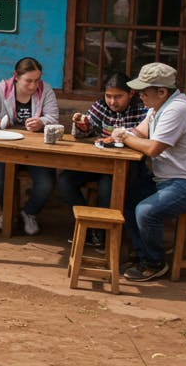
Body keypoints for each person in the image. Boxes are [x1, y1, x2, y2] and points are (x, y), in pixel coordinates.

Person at [113, 63, 186, 282]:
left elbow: (153, 148)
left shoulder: (176, 109)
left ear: (162, 92)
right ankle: (144, 254)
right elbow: (141, 133)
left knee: (146, 211)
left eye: (144, 92)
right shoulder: (157, 108)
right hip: (171, 181)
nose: (140, 96)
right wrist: (124, 133)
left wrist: (125, 138)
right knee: (128, 199)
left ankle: (154, 264)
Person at [57, 71, 148, 247]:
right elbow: (87, 129)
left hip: (126, 168)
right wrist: (82, 125)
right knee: (66, 180)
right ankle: (89, 230)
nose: (113, 101)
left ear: (131, 93)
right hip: (97, 164)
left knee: (107, 189)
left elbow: (145, 139)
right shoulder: (100, 106)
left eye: (118, 96)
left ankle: (106, 237)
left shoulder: (141, 110)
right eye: (109, 96)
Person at [0, 56, 58, 235]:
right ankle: (8, 212)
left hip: (36, 150)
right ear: (16, 76)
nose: (33, 86)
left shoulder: (46, 90)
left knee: (46, 182)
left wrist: (41, 122)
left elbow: (53, 117)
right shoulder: (2, 89)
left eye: (37, 80)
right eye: (28, 81)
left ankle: (29, 212)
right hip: (8, 148)